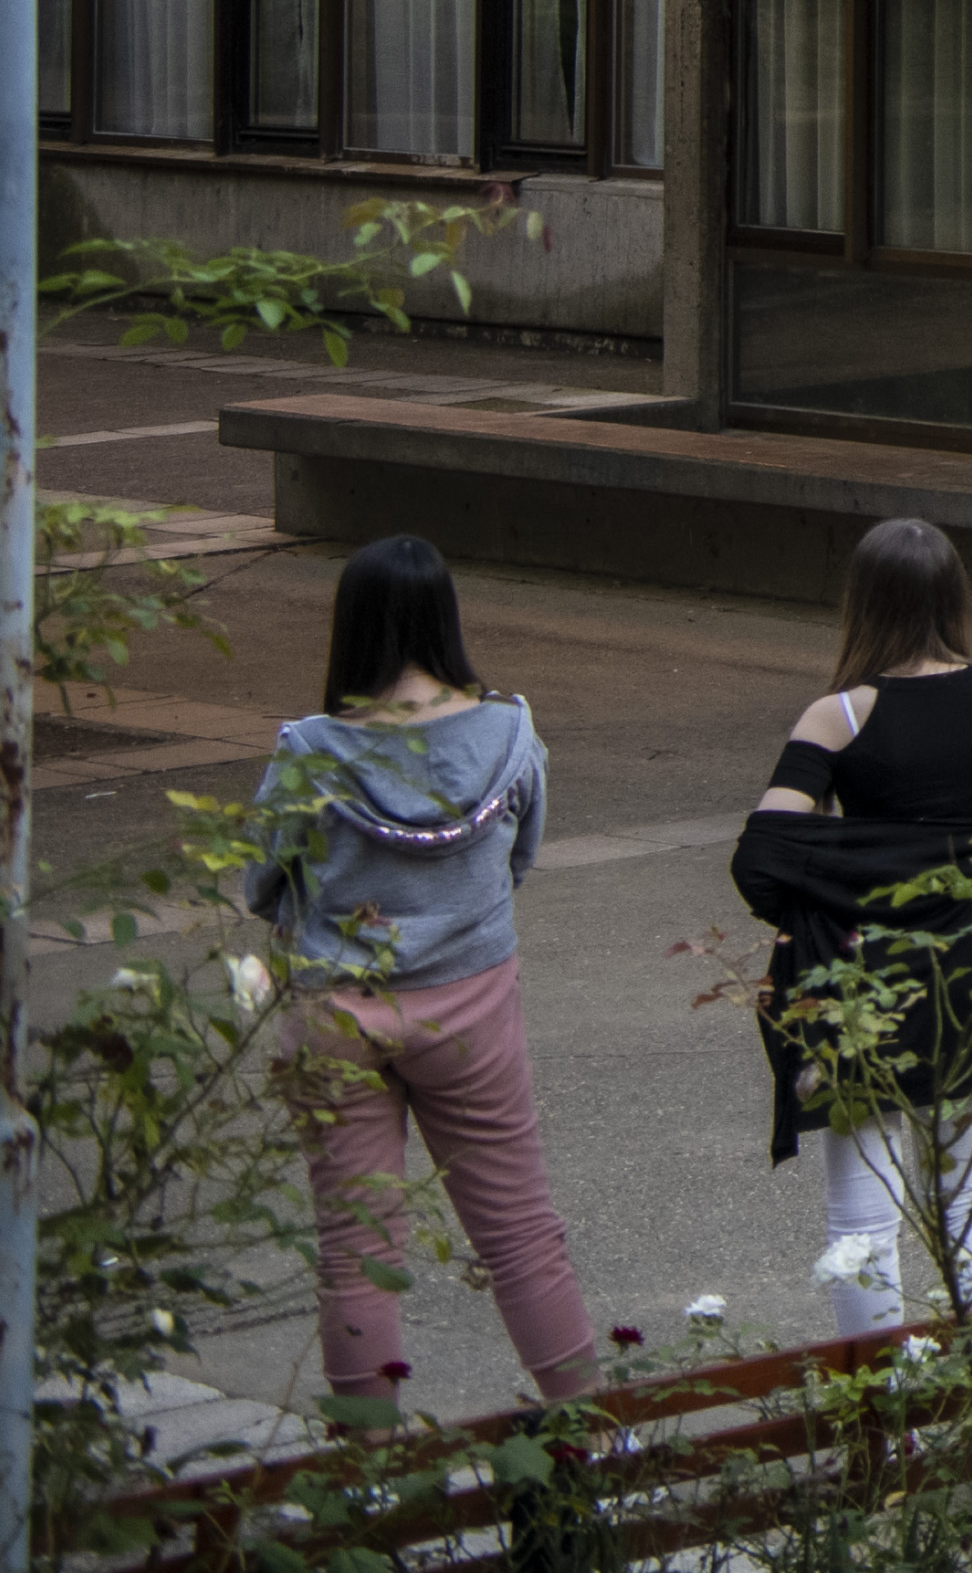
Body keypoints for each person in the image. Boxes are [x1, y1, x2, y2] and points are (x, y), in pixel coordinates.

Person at [242, 536, 607, 1425]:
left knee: (356, 1248)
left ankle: (368, 1484)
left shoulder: (311, 751)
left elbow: (261, 882)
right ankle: (586, 1441)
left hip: (336, 1012)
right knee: (520, 1233)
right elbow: (519, 858)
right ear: (446, 619)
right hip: (473, 1008)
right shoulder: (511, 735)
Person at [730, 519, 972, 1341]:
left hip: (859, 985)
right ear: (955, 596)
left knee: (862, 1223)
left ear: (863, 604)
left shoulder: (838, 715)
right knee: (970, 1208)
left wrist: (844, 899)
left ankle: (884, 1420)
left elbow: (761, 858)